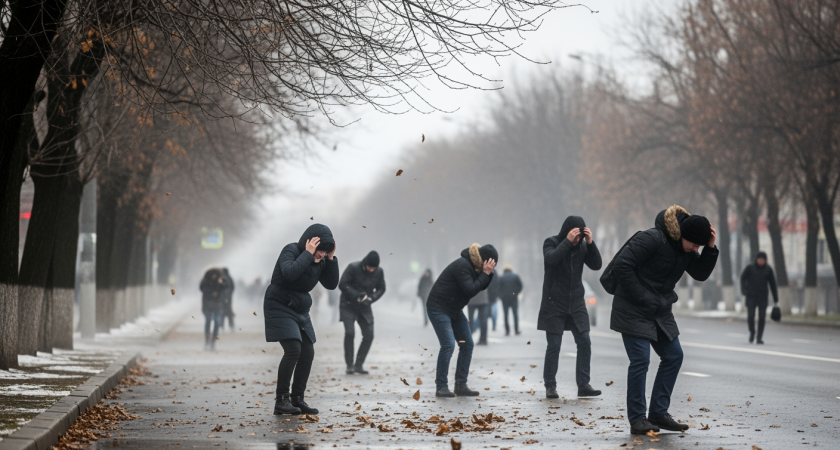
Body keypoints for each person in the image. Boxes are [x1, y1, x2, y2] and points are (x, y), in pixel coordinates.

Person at [610, 205, 718, 435]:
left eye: (699, 246)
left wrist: (710, 248)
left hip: (659, 309)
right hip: (632, 306)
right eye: (695, 244)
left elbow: (700, 273)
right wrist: (642, 296)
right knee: (640, 360)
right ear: (683, 236)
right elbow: (622, 265)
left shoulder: (684, 248)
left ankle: (658, 412)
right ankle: (638, 419)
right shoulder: (652, 238)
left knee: (674, 355)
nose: (695, 249)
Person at [263, 224, 338, 415]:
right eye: (320, 249)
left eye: (325, 251)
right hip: (279, 304)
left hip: (300, 307)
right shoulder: (291, 250)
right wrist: (308, 253)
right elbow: (289, 273)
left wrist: (330, 258)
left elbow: (331, 284)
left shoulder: (321, 260)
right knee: (293, 349)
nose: (321, 254)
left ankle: (297, 399)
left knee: (307, 351)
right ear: (310, 242)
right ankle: (281, 401)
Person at [539, 216, 603, 400]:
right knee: (554, 345)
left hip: (576, 301)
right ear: (567, 231)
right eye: (576, 236)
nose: (578, 240)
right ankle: (550, 386)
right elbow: (551, 259)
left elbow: (596, 264)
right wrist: (567, 241)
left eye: (580, 237)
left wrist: (590, 244)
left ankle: (583, 385)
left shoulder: (583, 246)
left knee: (584, 341)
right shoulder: (551, 242)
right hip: (554, 302)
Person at [426, 243, 497, 397]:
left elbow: (482, 287)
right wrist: (485, 274)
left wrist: (488, 274)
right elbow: (471, 289)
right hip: (438, 307)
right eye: (491, 265)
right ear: (484, 261)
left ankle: (460, 385)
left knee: (468, 344)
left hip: (453, 309)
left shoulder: (477, 267)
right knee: (448, 345)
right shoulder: (463, 266)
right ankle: (441, 386)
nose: (492, 268)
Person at [339, 251, 386, 374]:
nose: (371, 270)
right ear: (365, 263)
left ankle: (358, 365)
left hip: (364, 306)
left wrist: (371, 298)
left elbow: (382, 288)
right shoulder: (353, 267)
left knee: (369, 335)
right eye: (369, 267)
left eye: (374, 268)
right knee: (350, 333)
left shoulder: (379, 272)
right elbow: (342, 284)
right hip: (348, 305)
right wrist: (357, 295)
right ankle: (349, 365)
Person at [740, 251, 778, 344]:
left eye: (763, 259)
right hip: (751, 296)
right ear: (756, 259)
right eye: (759, 259)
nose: (761, 261)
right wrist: (744, 290)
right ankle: (752, 332)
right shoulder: (750, 268)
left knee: (762, 317)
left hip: (763, 297)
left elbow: (773, 284)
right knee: (750, 316)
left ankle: (759, 337)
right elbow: (742, 278)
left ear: (765, 260)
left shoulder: (768, 269)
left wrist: (775, 298)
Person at [200, 268, 227, 350]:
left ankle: (213, 340)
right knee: (208, 321)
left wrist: (221, 283)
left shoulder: (220, 281)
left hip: (217, 305)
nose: (214, 276)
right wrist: (212, 293)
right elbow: (202, 289)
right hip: (207, 305)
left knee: (217, 322)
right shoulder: (205, 281)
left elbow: (226, 286)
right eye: (213, 275)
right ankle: (207, 339)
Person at [497, 265, 523, 336]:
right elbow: (520, 286)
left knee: (506, 315)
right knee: (515, 314)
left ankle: (507, 331)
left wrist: (500, 295)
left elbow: (498, 288)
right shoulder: (515, 276)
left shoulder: (501, 277)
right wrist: (516, 293)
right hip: (514, 298)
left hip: (505, 299)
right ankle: (516, 329)